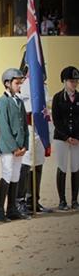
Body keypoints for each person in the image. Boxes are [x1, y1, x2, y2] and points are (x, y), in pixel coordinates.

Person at [0, 68, 30, 222]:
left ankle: (11, 208)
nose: (19, 86)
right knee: (7, 174)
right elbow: (4, 127)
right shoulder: (2, 102)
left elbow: (24, 125)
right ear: (7, 83)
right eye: (17, 83)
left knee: (16, 175)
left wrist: (25, 145)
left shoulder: (19, 101)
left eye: (20, 83)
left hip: (19, 147)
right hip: (7, 147)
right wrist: (14, 147)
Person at [17, 75, 52, 214]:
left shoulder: (42, 84)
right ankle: (21, 201)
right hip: (29, 126)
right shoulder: (26, 84)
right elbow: (26, 106)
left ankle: (34, 200)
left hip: (41, 128)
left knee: (38, 163)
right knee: (26, 165)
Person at [52, 66, 79, 210]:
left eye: (76, 81)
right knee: (62, 167)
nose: (74, 84)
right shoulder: (58, 98)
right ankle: (62, 200)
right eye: (71, 81)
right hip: (61, 138)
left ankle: (74, 200)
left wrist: (76, 137)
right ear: (64, 81)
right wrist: (66, 137)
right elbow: (56, 119)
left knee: (76, 167)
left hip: (77, 139)